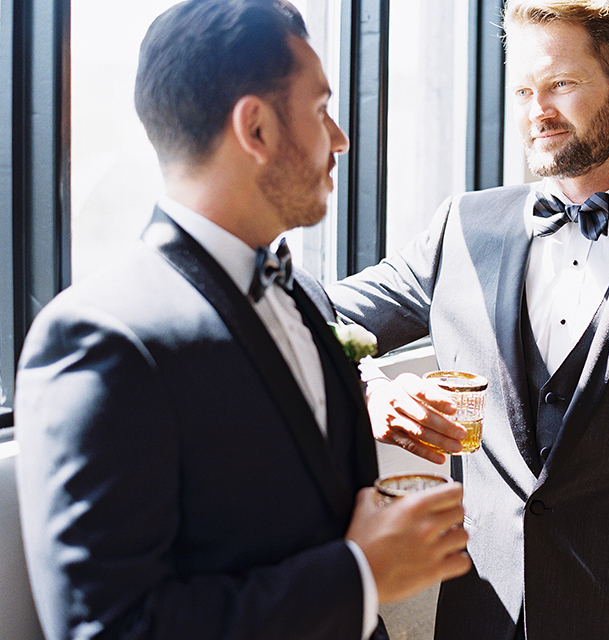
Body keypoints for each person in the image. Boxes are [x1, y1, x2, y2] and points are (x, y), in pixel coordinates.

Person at [14, 1, 470, 639]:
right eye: (319, 111)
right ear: (255, 128)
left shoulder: (306, 295)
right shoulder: (103, 338)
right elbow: (113, 628)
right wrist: (359, 575)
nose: (339, 138)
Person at [327, 1, 609, 638]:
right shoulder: (463, 228)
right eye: (522, 88)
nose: (536, 110)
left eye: (561, 84)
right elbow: (316, 315)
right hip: (477, 617)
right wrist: (373, 388)